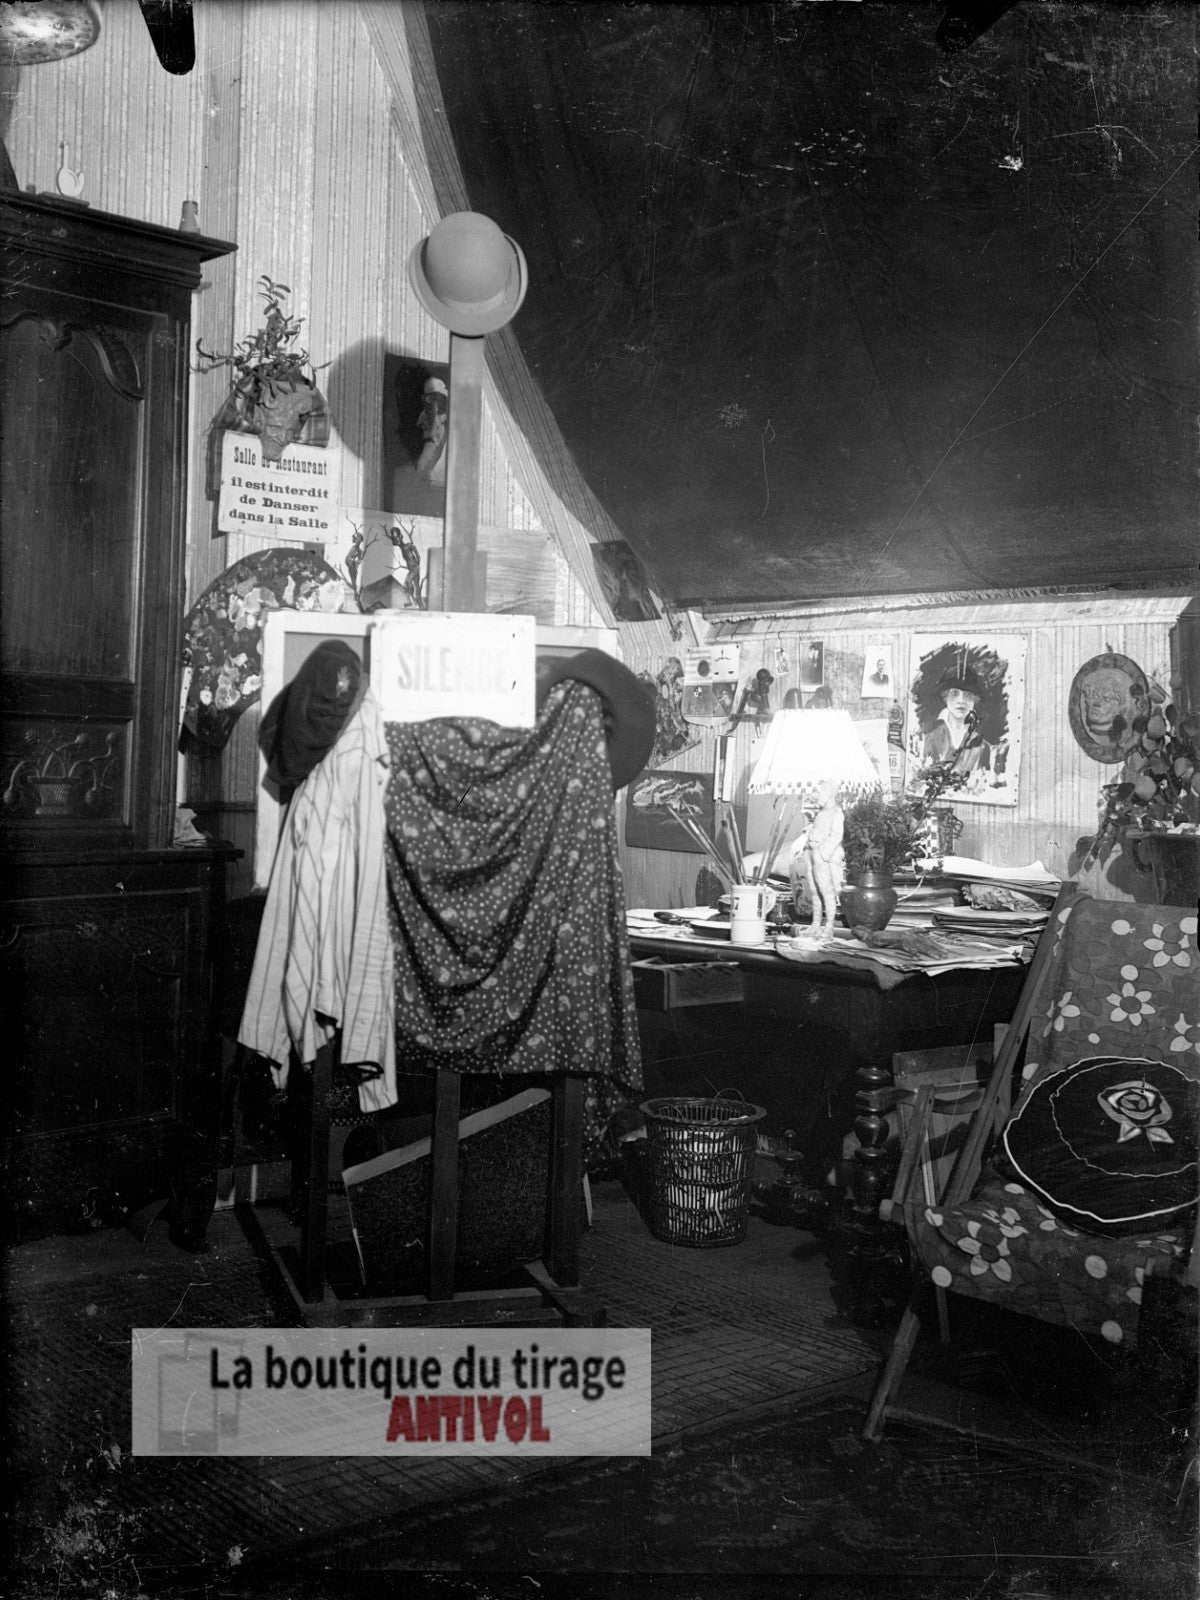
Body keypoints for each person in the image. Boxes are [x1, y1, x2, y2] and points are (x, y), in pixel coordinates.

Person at [921, 665, 992, 777]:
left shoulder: (983, 747)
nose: (961, 701)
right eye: (955, 693)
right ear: (946, 697)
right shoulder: (930, 739)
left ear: (975, 700)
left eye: (968, 695)